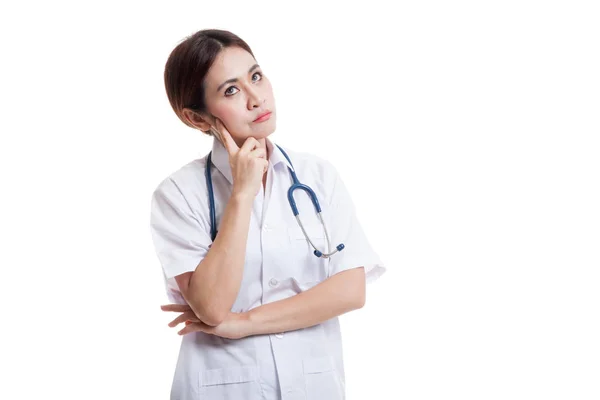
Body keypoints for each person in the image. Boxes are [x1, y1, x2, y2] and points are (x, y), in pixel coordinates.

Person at [150, 28, 386, 400]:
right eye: (231, 90)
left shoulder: (316, 176)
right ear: (197, 119)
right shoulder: (179, 195)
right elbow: (211, 306)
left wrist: (242, 323)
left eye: (256, 76)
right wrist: (242, 193)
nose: (256, 97)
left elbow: (350, 291)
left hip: (314, 385)